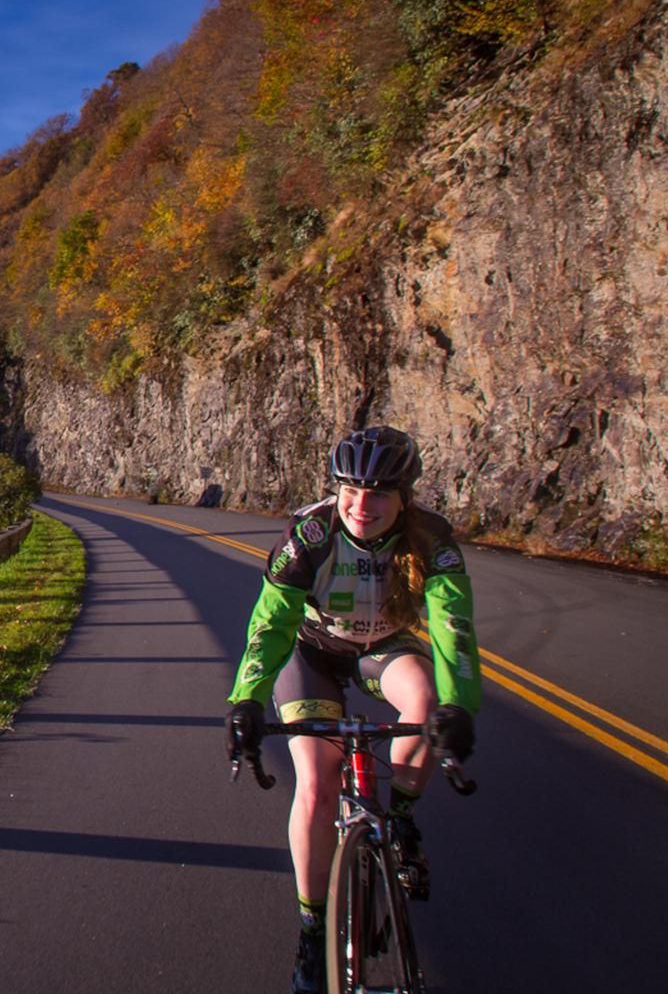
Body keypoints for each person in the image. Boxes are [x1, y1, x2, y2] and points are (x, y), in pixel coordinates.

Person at [224, 426, 480, 994]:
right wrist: (246, 699)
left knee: (427, 704)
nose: (362, 505)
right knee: (316, 783)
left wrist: (460, 707)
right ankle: (313, 931)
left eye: (380, 493)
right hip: (315, 652)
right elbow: (270, 627)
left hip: (385, 649)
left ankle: (402, 817)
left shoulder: (432, 539)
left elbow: (452, 630)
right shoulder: (311, 534)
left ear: (405, 495)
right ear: (336, 488)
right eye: (351, 490)